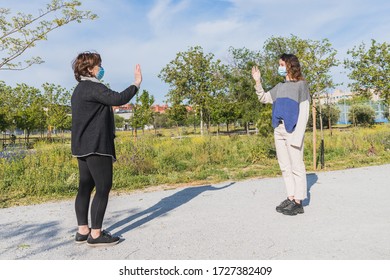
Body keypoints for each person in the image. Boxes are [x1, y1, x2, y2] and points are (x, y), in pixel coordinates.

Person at [71, 51, 142, 246]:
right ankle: (96, 234)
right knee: (103, 187)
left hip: (82, 146)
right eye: (98, 65)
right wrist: (136, 83)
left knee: (85, 186)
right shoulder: (94, 88)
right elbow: (118, 98)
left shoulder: (78, 89)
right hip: (97, 146)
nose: (101, 68)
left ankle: (82, 230)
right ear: (89, 69)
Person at [251, 54, 310, 216]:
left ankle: (299, 202)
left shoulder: (301, 86)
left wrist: (298, 136)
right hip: (279, 130)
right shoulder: (279, 86)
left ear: (290, 65)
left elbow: (304, 113)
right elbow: (264, 98)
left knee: (297, 166)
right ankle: (291, 197)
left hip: (293, 131)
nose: (280, 67)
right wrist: (257, 81)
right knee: (285, 166)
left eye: (282, 64)